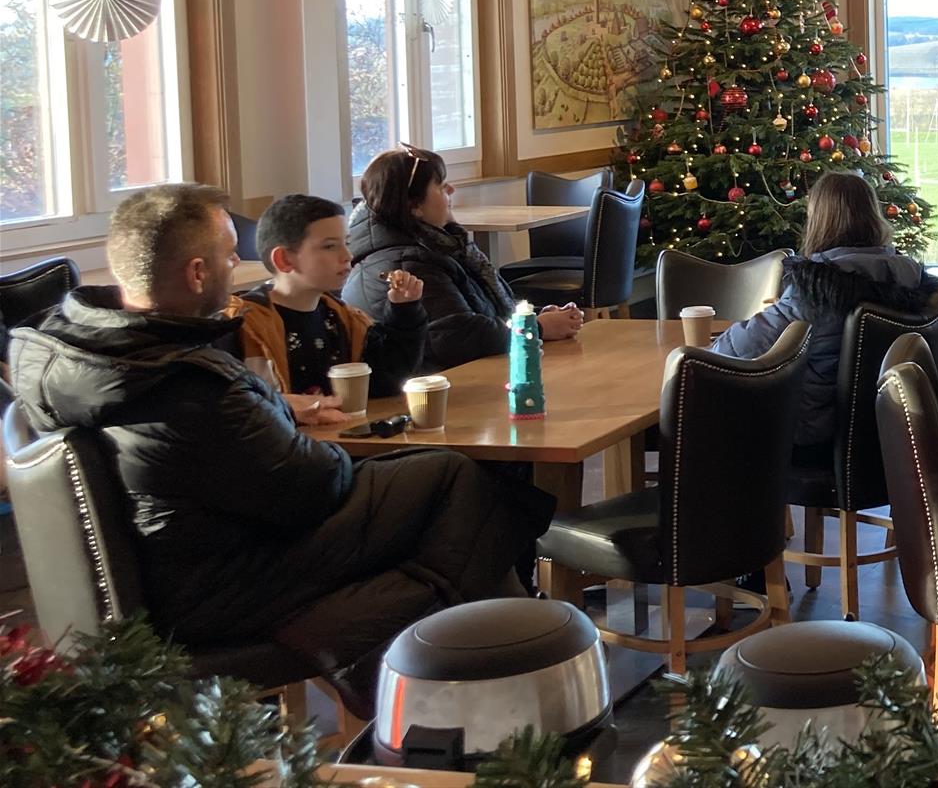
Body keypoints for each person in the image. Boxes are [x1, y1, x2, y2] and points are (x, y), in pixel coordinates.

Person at [7, 184, 554, 716]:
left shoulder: (77, 357)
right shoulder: (188, 384)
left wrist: (272, 410)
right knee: (454, 479)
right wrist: (292, 424)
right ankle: (501, 677)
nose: (234, 267)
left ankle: (418, 676)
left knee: (438, 495)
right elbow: (313, 489)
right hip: (218, 588)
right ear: (198, 273)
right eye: (227, 256)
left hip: (157, 572)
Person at [711, 171, 938, 454]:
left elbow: (729, 352)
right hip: (889, 431)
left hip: (816, 432)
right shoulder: (909, 279)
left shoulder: (816, 290)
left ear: (819, 221)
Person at [344, 145, 584, 372]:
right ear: (414, 206)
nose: (451, 190)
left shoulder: (435, 246)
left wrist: (532, 316)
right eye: (441, 186)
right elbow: (457, 336)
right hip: (438, 389)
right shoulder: (405, 264)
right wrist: (537, 328)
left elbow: (479, 312)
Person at [224, 193, 427, 401]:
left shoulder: (345, 319)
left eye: (346, 243)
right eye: (329, 246)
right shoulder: (242, 327)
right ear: (284, 259)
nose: (347, 256)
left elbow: (388, 380)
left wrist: (404, 310)